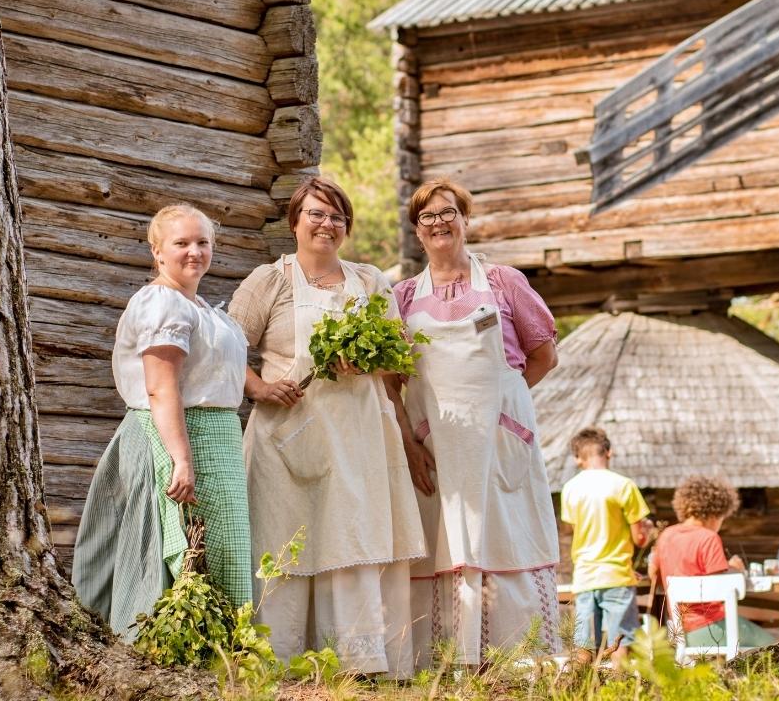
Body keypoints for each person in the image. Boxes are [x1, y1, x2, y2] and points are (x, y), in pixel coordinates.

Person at [228, 177, 425, 677]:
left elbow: (400, 354)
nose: (327, 224)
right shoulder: (267, 281)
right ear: (295, 221)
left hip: (360, 431)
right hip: (286, 434)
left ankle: (358, 660)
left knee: (350, 535)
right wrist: (259, 388)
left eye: (337, 217)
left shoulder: (370, 281)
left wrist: (371, 360)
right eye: (316, 214)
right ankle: (278, 659)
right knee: (285, 535)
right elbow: (226, 351)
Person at [392, 178, 561, 668]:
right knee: (443, 538)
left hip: (499, 439)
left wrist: (504, 410)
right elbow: (390, 381)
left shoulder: (505, 282)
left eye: (449, 212)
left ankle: (518, 659)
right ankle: (443, 661)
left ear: (466, 221)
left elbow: (545, 354)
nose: (440, 222)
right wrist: (410, 442)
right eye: (428, 217)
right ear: (417, 232)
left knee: (506, 532)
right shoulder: (402, 298)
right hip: (436, 444)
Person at [74, 204, 252, 639]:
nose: (194, 252)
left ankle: (223, 659)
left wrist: (264, 389)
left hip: (219, 439)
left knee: (224, 550)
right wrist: (180, 458)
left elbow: (216, 372)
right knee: (191, 548)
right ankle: (172, 650)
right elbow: (161, 386)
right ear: (157, 252)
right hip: (178, 435)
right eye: (182, 243)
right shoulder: (161, 303)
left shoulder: (203, 308)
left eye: (203, 242)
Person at [560, 427, 654, 668]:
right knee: (619, 642)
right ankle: (620, 691)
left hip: (584, 577)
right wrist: (648, 533)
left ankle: (578, 691)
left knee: (584, 645)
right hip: (616, 575)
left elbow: (570, 528)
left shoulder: (570, 488)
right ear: (609, 452)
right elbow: (639, 539)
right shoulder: (624, 485)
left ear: (577, 458)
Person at [649, 476, 776, 649]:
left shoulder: (666, 536)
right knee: (776, 646)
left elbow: (653, 574)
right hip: (712, 628)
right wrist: (734, 569)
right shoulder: (708, 538)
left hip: (679, 631)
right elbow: (719, 587)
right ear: (715, 512)